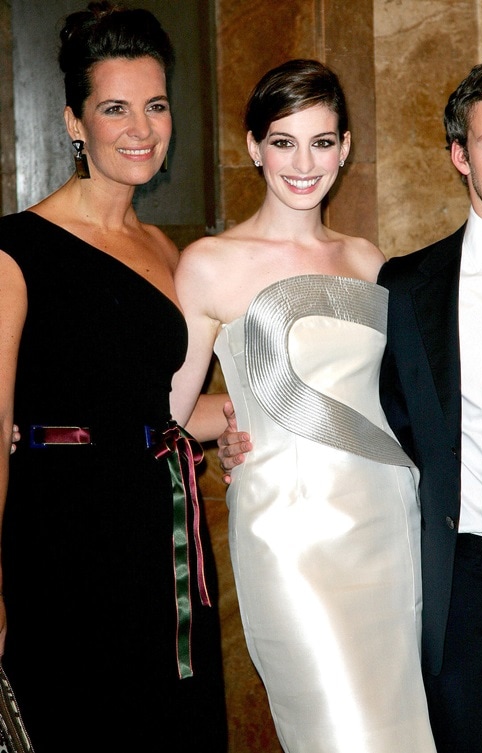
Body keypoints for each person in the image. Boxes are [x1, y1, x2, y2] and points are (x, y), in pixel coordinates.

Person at [219, 59, 482, 753]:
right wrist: (240, 427)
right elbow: (358, 406)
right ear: (459, 155)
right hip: (464, 594)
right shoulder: (405, 287)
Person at [169, 59, 436, 753]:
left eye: (321, 141)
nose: (303, 161)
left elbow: (391, 396)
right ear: (254, 146)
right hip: (290, 540)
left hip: (388, 526)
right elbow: (172, 406)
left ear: (345, 148)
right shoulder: (209, 262)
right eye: (284, 141)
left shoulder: (368, 261)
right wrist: (232, 425)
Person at [0, 4, 228, 752]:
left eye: (156, 105)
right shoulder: (15, 250)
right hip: (62, 541)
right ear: (74, 121)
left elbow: (151, 409)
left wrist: (233, 418)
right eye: (115, 108)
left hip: (160, 542)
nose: (141, 128)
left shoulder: (166, 247)